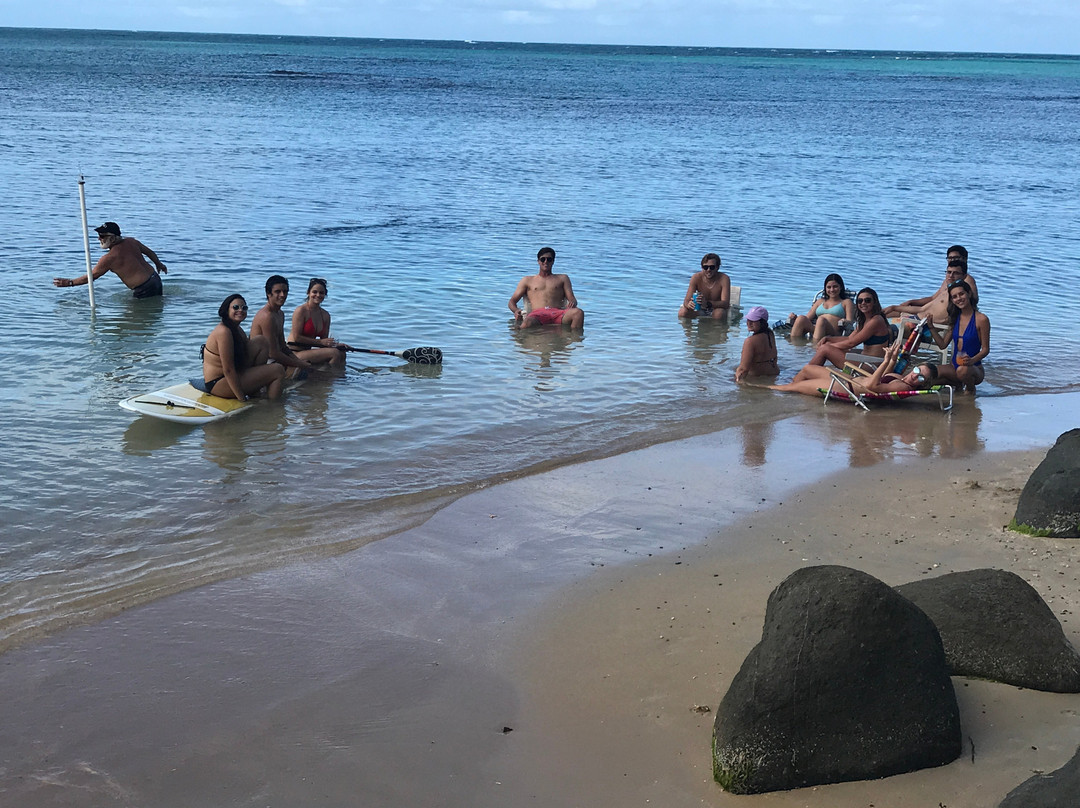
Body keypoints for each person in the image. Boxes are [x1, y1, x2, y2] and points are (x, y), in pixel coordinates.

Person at [770, 338, 940, 399]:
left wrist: (885, 361)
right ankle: (789, 398)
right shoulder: (900, 378)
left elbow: (873, 387)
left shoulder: (902, 387)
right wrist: (892, 359)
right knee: (807, 369)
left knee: (790, 387)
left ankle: (760, 389)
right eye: (917, 371)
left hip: (847, 387)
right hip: (847, 380)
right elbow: (886, 375)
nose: (915, 377)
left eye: (921, 378)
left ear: (923, 384)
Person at [202, 294, 285, 400]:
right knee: (277, 370)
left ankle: (255, 390)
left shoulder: (237, 329)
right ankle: (273, 408)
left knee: (261, 341)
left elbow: (248, 353)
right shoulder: (223, 332)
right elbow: (228, 369)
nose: (240, 310)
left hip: (232, 376)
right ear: (226, 310)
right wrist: (242, 398)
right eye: (236, 307)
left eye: (244, 308)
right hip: (218, 383)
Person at [54, 221, 169, 298]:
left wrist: (70, 283)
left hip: (144, 288)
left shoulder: (109, 258)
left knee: (134, 319)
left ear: (113, 238)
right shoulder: (132, 241)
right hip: (155, 279)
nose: (99, 238)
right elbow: (149, 252)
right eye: (99, 235)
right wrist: (159, 264)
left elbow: (92, 276)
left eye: (103, 236)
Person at [794, 287, 892, 373]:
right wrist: (828, 339)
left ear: (875, 302)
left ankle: (807, 373)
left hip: (872, 365)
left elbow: (851, 343)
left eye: (867, 300)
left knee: (825, 349)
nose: (863, 303)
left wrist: (829, 347)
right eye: (860, 301)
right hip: (865, 360)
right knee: (826, 346)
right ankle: (808, 373)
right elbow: (849, 338)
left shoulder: (876, 320)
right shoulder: (866, 320)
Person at [883, 245, 978, 322]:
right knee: (883, 314)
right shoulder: (948, 279)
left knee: (882, 320)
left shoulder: (966, 280)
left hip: (925, 321)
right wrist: (912, 302)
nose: (952, 261)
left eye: (956, 258)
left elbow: (973, 301)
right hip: (922, 314)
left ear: (964, 259)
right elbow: (933, 299)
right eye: (950, 258)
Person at [927, 279, 990, 394]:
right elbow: (942, 345)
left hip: (973, 368)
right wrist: (931, 327)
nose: (959, 298)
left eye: (961, 294)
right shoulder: (955, 318)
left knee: (963, 370)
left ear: (969, 294)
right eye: (954, 296)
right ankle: (957, 384)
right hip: (954, 366)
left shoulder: (981, 319)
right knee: (926, 374)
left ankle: (970, 389)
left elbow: (985, 350)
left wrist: (972, 361)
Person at [250, 275, 315, 377]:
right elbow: (272, 352)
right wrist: (299, 364)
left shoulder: (280, 314)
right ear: (268, 293)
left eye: (285, 291)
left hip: (273, 358)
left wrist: (298, 361)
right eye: (277, 292)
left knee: (310, 369)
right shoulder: (267, 316)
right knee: (304, 373)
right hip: (260, 362)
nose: (282, 295)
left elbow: (282, 346)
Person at [508, 247, 584, 329]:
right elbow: (512, 302)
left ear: (553, 261)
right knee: (526, 324)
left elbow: (572, 299)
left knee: (578, 313)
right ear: (538, 261)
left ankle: (574, 339)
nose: (545, 262)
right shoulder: (527, 280)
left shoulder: (563, 278)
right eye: (543, 259)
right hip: (537, 315)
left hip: (557, 313)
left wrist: (572, 303)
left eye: (549, 259)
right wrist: (516, 311)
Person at [286, 277, 349, 368]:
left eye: (321, 293)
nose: (318, 295)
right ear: (308, 293)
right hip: (294, 353)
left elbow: (324, 343)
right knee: (334, 353)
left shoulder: (325, 315)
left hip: (308, 352)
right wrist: (320, 342)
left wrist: (336, 345)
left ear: (325, 295)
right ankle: (328, 377)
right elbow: (297, 338)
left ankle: (337, 378)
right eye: (314, 292)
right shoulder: (301, 311)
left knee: (341, 353)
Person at [787, 273, 855, 340]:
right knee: (801, 318)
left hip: (833, 332)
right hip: (817, 328)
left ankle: (815, 347)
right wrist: (795, 317)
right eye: (829, 287)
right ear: (825, 288)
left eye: (835, 286)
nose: (832, 290)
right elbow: (807, 318)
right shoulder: (820, 301)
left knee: (821, 320)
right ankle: (793, 347)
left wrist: (844, 321)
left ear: (841, 287)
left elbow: (850, 321)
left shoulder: (846, 302)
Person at [678, 253, 731, 319]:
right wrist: (689, 305)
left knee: (718, 313)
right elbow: (686, 300)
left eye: (712, 267)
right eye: (705, 267)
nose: (708, 270)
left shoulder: (724, 279)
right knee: (682, 312)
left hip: (716, 308)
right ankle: (688, 329)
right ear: (702, 268)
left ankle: (715, 329)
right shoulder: (696, 277)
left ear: (717, 267)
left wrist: (708, 303)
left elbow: (725, 303)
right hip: (700, 308)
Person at [735, 306, 779, 382]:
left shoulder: (750, 341)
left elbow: (743, 370)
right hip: (774, 374)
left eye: (753, 320)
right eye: (748, 319)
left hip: (756, 378)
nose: (749, 323)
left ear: (762, 322)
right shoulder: (770, 334)